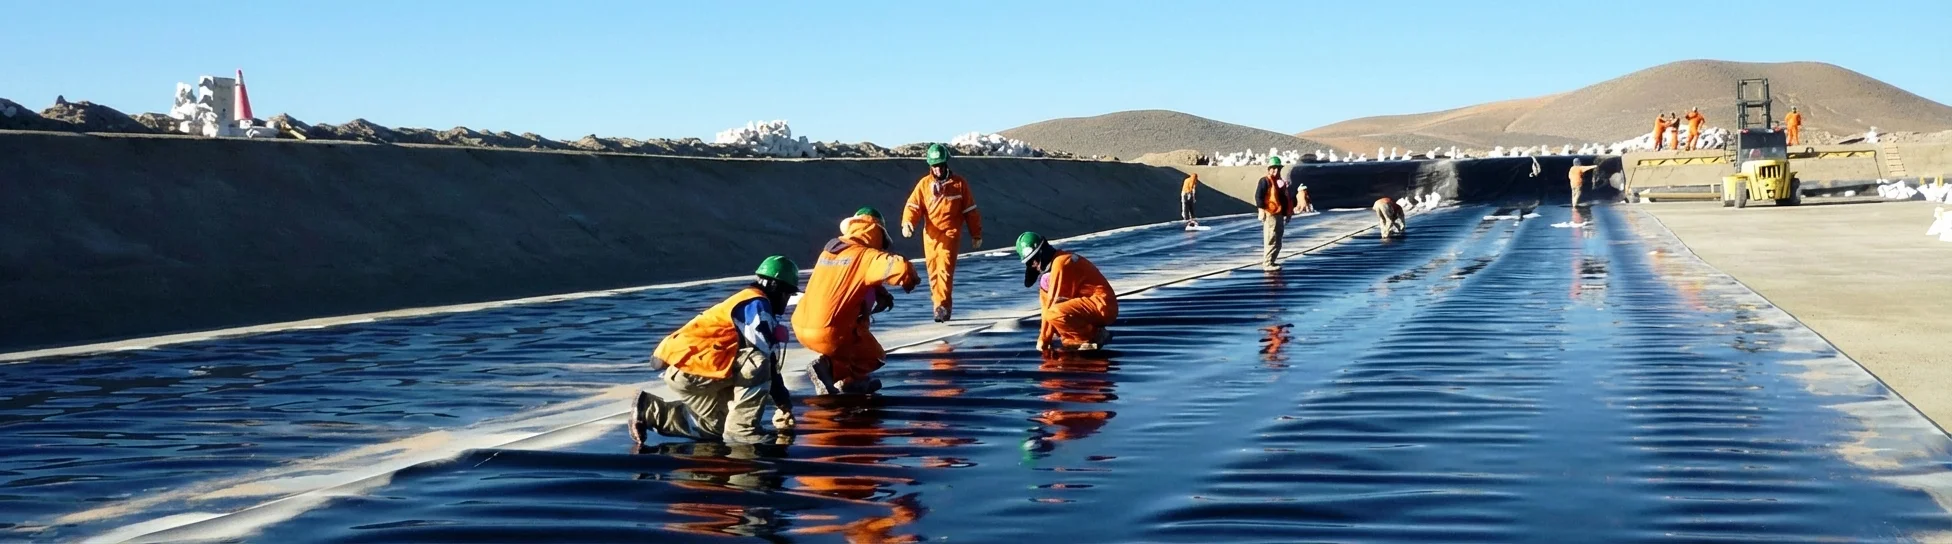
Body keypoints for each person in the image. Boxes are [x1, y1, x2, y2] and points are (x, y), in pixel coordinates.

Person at [628, 255, 800, 445]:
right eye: (787, 294)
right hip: (695, 369)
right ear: (776, 288)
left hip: (691, 369)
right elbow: (763, 356)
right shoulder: (756, 304)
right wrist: (783, 404)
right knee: (757, 363)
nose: (786, 301)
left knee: (718, 426)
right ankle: (743, 432)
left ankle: (650, 410)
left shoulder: (746, 300)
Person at [794, 207, 920, 395]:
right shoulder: (866, 256)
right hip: (830, 332)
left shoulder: (831, 251)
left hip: (800, 326)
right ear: (877, 233)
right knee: (874, 356)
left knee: (854, 344)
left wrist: (879, 291)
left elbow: (845, 278)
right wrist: (911, 279)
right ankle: (831, 370)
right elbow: (900, 267)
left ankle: (851, 382)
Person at [902, 143, 984, 323]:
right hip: (930, 235)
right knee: (932, 271)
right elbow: (913, 206)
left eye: (940, 165)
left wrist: (976, 233)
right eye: (934, 165)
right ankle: (938, 306)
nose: (938, 169)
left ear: (946, 163)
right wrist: (908, 222)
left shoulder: (959, 184)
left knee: (945, 269)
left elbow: (970, 210)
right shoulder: (924, 185)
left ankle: (943, 306)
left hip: (950, 233)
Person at [1015, 232, 1117, 353]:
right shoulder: (1049, 274)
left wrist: (1044, 340)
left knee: (1054, 314)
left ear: (1042, 253)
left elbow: (1053, 304)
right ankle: (1075, 340)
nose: (1033, 265)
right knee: (1053, 319)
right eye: (1029, 263)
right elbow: (1046, 306)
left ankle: (1091, 336)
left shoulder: (1061, 262)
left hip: (1103, 306)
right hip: (1090, 306)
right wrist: (1045, 338)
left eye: (1034, 260)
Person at [1252, 156, 1298, 270]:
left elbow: (1285, 199)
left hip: (1279, 215)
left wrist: (1288, 213)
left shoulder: (1280, 183)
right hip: (1270, 214)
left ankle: (1272, 262)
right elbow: (1258, 196)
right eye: (1273, 168)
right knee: (1271, 239)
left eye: (1278, 168)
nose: (1276, 171)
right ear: (1269, 169)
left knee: (1278, 241)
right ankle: (1267, 263)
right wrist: (1261, 210)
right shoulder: (1265, 181)